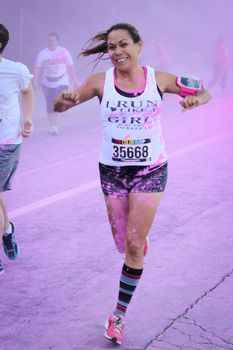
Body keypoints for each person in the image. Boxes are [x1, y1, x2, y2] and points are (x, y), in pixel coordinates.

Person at [54, 23, 211, 345]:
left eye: (123, 45)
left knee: (134, 247)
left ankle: (119, 315)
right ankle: (135, 242)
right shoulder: (100, 83)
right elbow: (60, 106)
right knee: (123, 243)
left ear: (139, 45)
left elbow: (204, 90)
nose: (117, 52)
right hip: (112, 173)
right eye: (111, 48)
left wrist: (197, 100)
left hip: (150, 170)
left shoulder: (161, 79)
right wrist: (64, 100)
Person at [0, 23, 34, 275]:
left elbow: (28, 90)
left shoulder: (15, 71)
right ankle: (7, 229)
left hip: (6, 144)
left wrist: (28, 119)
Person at [34, 32, 78, 135]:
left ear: (57, 41)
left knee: (57, 102)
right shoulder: (43, 53)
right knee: (49, 104)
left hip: (61, 81)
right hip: (47, 82)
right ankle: (52, 125)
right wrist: (35, 81)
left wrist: (75, 81)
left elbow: (70, 67)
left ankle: (56, 126)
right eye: (49, 40)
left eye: (53, 40)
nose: (51, 42)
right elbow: (37, 68)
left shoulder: (63, 52)